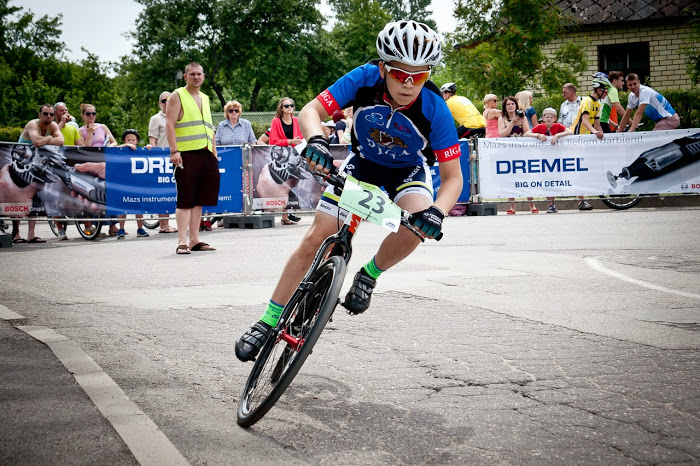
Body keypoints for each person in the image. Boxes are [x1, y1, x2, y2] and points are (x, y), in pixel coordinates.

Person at [235, 20, 463, 362]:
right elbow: (311, 110)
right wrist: (317, 140)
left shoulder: (434, 107)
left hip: (407, 170)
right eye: (399, 73)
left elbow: (453, 178)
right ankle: (268, 320)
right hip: (364, 163)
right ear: (383, 68)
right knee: (317, 236)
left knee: (418, 226)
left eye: (419, 77)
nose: (408, 84)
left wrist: (436, 212)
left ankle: (369, 274)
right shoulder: (364, 78)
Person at [166, 62, 220, 254]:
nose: (196, 77)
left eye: (199, 74)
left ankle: (194, 240)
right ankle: (182, 241)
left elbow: (209, 128)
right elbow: (170, 124)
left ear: (203, 76)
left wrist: (214, 154)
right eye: (192, 74)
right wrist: (174, 151)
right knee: (185, 199)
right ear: (185, 76)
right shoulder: (177, 95)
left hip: (206, 153)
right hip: (186, 154)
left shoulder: (204, 97)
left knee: (199, 199)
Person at [13, 104, 64, 244]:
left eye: (51, 114)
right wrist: (49, 138)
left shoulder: (53, 125)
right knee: (18, 199)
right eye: (45, 113)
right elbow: (36, 141)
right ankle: (16, 234)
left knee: (34, 199)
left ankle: (31, 234)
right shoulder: (33, 124)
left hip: (36, 165)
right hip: (20, 164)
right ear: (39, 114)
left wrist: (44, 139)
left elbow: (61, 141)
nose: (49, 116)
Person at [569, 74, 611, 211]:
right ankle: (581, 200)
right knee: (580, 169)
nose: (607, 93)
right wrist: (594, 132)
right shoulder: (587, 101)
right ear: (599, 89)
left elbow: (597, 124)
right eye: (606, 90)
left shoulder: (597, 104)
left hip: (587, 139)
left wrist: (602, 137)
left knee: (589, 167)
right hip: (578, 137)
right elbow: (585, 121)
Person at [524, 107, 574, 213]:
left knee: (555, 179)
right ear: (543, 118)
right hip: (543, 158)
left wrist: (557, 135)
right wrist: (538, 135)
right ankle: (550, 204)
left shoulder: (558, 126)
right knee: (546, 180)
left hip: (556, 157)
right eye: (547, 117)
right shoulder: (540, 127)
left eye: (551, 117)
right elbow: (526, 134)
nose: (549, 119)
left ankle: (552, 203)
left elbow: (570, 131)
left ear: (555, 118)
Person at [268, 97, 303, 225]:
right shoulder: (276, 121)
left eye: (291, 105)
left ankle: (289, 212)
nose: (290, 108)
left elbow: (301, 138)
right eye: (286, 106)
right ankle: (285, 215)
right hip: (281, 159)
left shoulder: (296, 120)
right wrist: (290, 141)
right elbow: (273, 140)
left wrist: (296, 142)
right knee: (284, 185)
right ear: (281, 108)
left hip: (294, 157)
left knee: (293, 185)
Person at [499, 96, 535, 214]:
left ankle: (532, 205)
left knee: (526, 177)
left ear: (516, 106)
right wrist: (512, 123)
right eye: (508, 104)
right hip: (508, 152)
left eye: (512, 104)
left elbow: (527, 132)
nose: (510, 106)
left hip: (522, 151)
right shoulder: (502, 119)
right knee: (510, 178)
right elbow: (502, 134)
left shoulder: (522, 117)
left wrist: (522, 120)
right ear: (505, 107)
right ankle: (512, 206)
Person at [148, 91, 177, 234]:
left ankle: (171, 222)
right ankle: (163, 224)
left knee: (175, 190)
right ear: (160, 103)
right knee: (163, 191)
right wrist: (155, 155)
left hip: (177, 156)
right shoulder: (156, 119)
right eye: (164, 100)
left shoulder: (177, 116)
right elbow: (153, 139)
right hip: (162, 158)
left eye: (169, 99)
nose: (167, 102)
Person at [115, 129, 151, 239]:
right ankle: (121, 229)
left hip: (136, 183)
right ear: (124, 141)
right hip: (123, 183)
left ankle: (140, 228)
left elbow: (150, 155)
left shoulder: (140, 151)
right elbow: (113, 150)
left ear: (137, 141)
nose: (130, 142)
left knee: (138, 206)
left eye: (133, 140)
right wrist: (125, 146)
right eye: (128, 140)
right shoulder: (121, 151)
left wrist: (149, 148)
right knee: (123, 206)